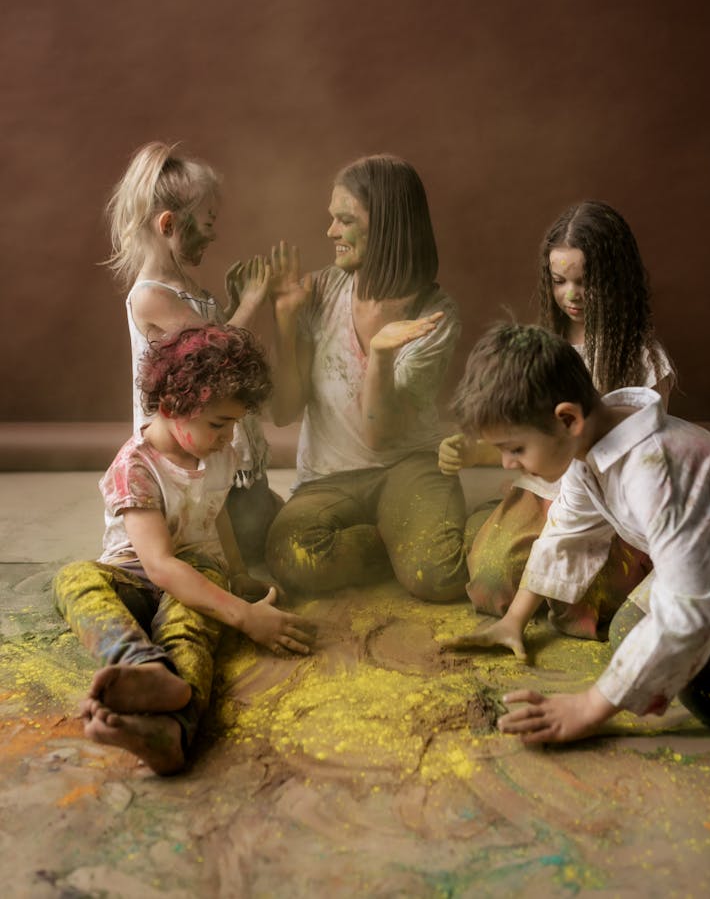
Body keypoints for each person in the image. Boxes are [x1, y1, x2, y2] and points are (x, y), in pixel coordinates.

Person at [444, 322, 710, 743]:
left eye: (515, 448)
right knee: (629, 635)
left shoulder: (657, 473)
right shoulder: (594, 448)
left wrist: (589, 707)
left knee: (707, 686)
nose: (507, 464)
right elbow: (564, 530)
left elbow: (685, 611)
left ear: (567, 418)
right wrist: (515, 618)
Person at [53, 325, 316, 775]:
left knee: (189, 630)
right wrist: (244, 615)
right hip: (135, 578)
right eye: (219, 424)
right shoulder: (134, 467)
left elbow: (218, 514)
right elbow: (157, 565)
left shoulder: (219, 455)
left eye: (233, 424)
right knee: (73, 578)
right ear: (172, 407)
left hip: (197, 576)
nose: (228, 437)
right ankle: (143, 668)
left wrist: (235, 573)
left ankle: (170, 733)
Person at [440, 201, 674, 638]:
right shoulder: (544, 351)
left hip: (609, 506)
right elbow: (519, 437)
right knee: (492, 581)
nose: (571, 295)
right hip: (543, 489)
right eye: (559, 281)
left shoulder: (643, 361)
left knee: (582, 604)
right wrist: (474, 450)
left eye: (586, 282)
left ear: (616, 281)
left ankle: (508, 542)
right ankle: (500, 533)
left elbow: (642, 471)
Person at [264, 155, 468, 601]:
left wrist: (379, 354)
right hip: (327, 479)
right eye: (331, 219)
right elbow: (283, 412)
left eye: (345, 220)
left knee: (439, 576)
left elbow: (379, 436)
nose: (330, 233)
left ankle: (413, 533)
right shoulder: (320, 290)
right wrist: (285, 317)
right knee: (292, 556)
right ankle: (393, 540)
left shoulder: (433, 314)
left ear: (389, 227)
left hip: (407, 466)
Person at [105, 140, 280, 565]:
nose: (214, 232)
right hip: (185, 455)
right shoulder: (151, 296)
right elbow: (217, 357)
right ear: (168, 225)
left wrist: (234, 303)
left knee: (272, 526)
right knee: (251, 540)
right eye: (207, 221)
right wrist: (252, 301)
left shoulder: (189, 288)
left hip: (217, 441)